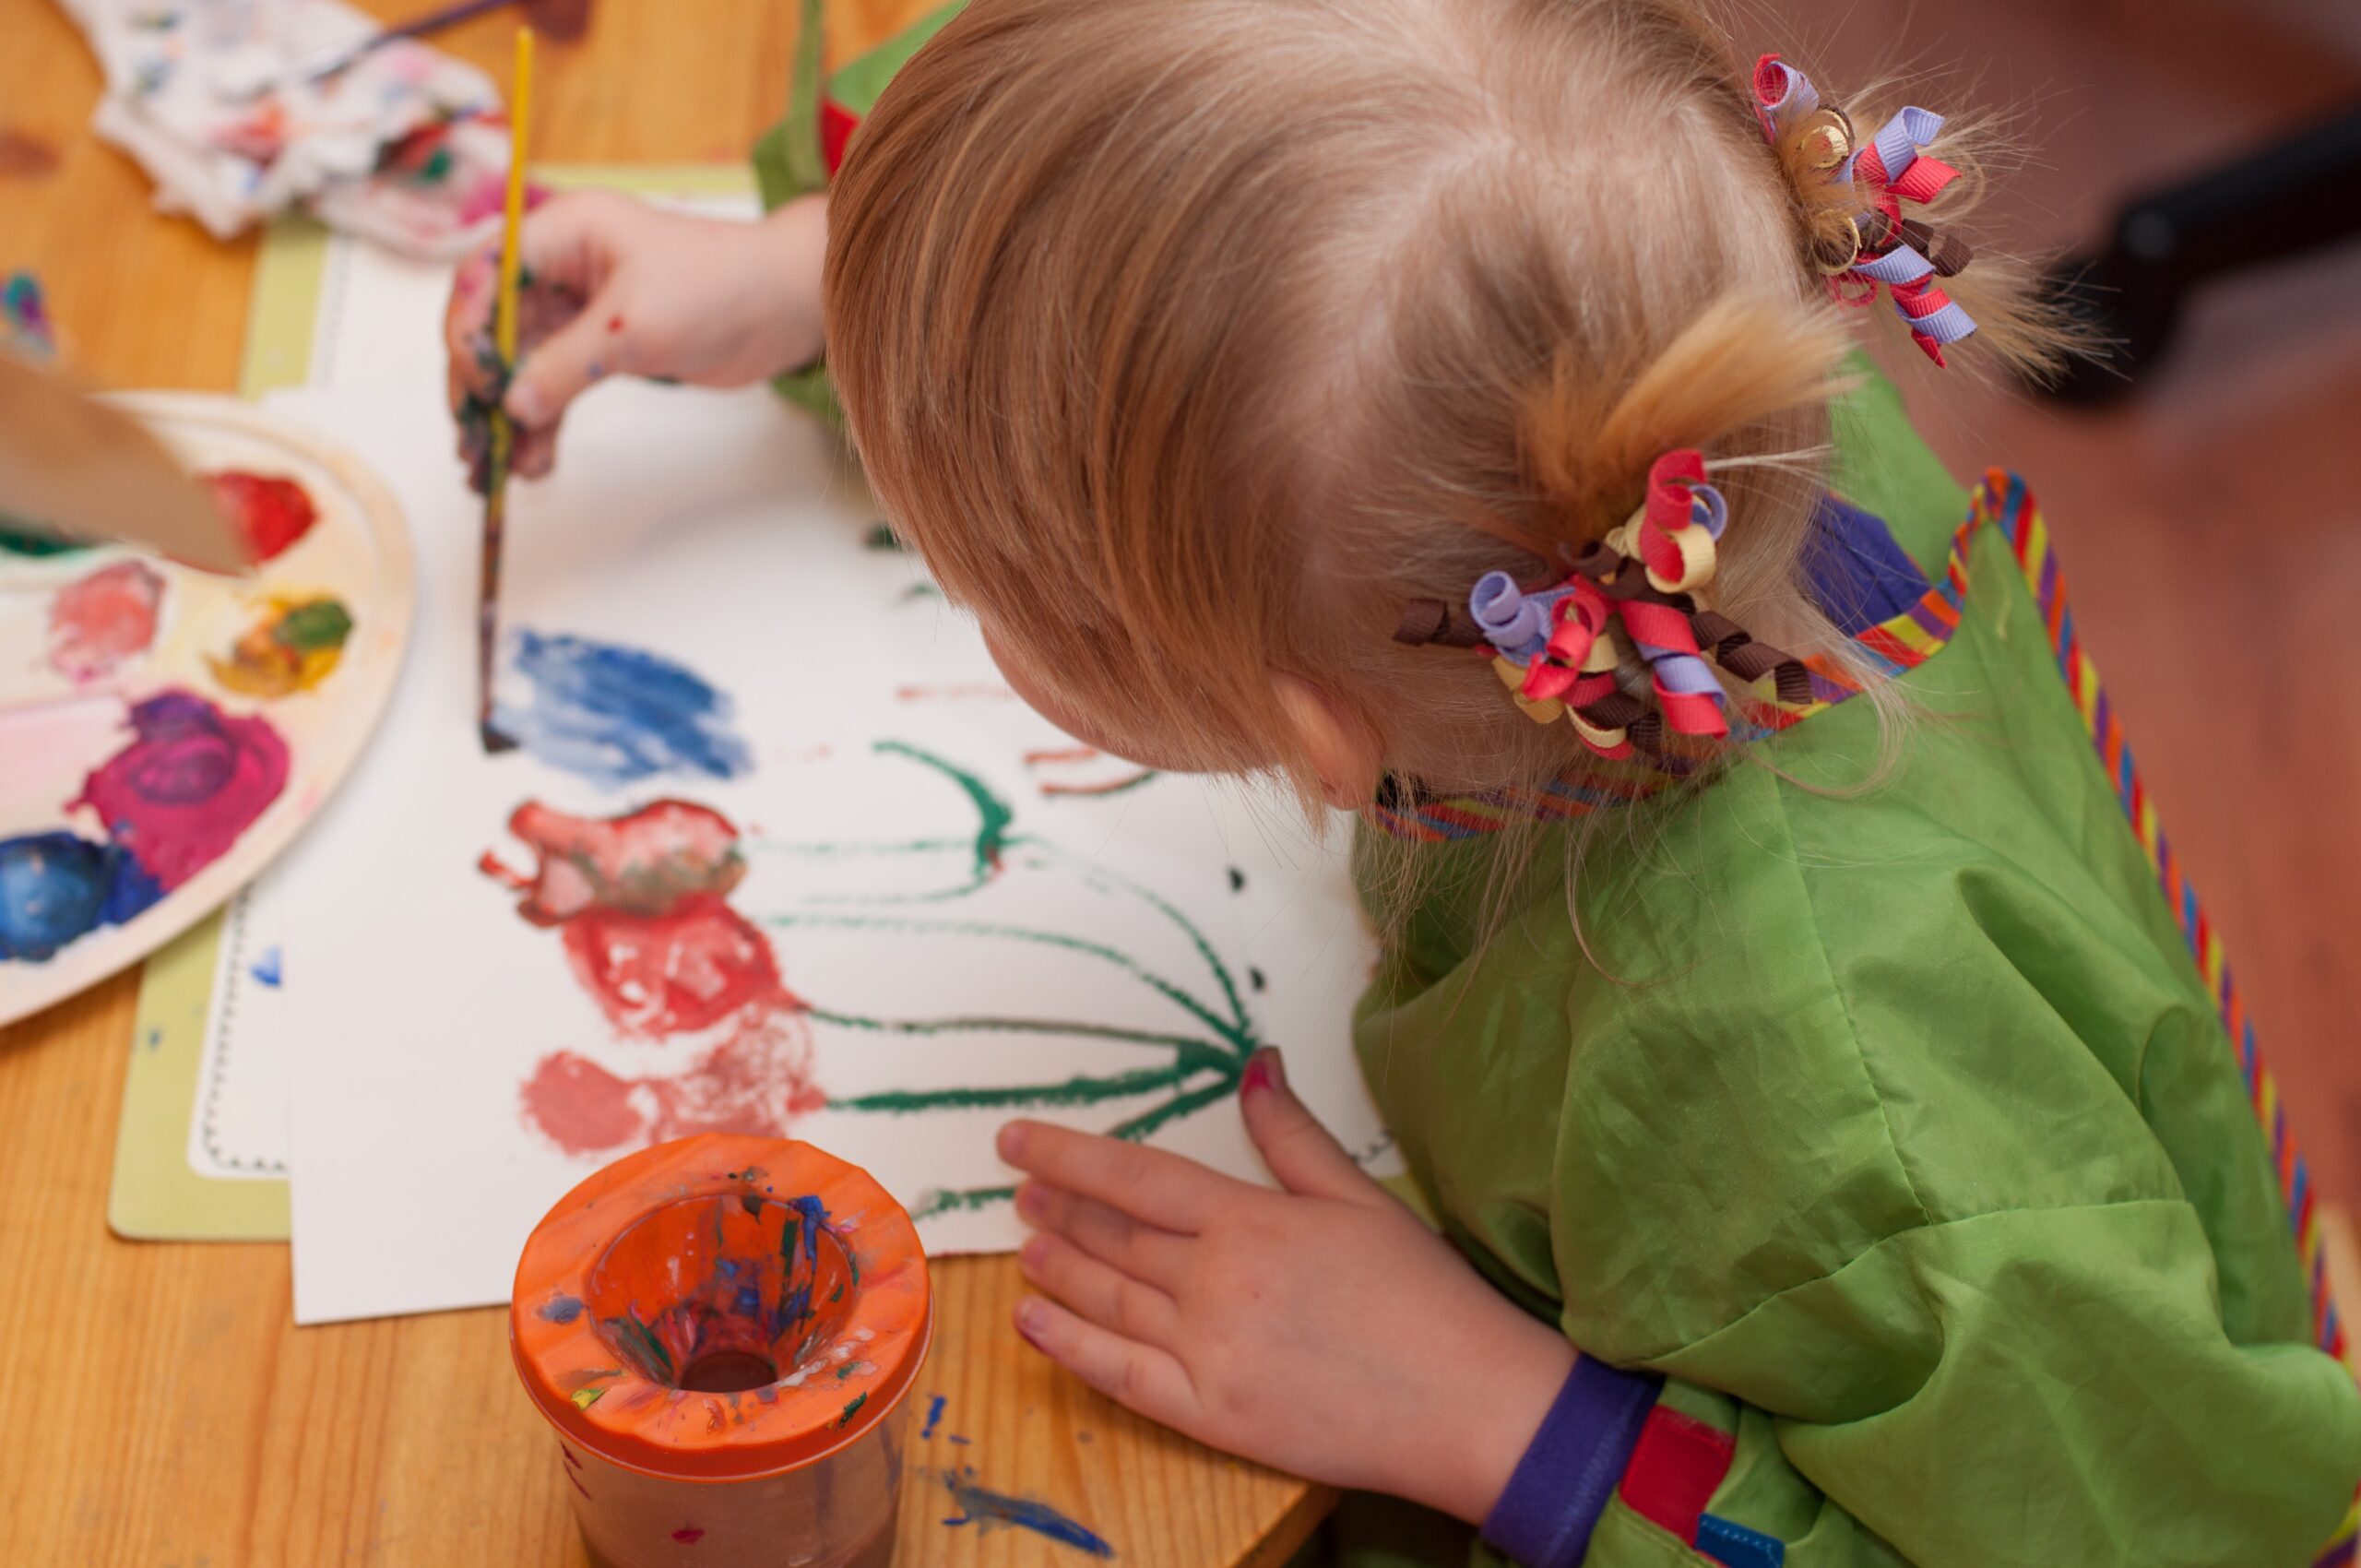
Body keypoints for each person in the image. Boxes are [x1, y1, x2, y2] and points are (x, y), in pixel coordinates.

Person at [443, 3, 2361, 1562]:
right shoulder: (1651, 392)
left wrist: (1504, 1424)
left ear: (1303, 732)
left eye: (995, 573)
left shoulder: (1828, 1112)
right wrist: (802, 269)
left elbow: (2157, 1531)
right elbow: (1218, 179)